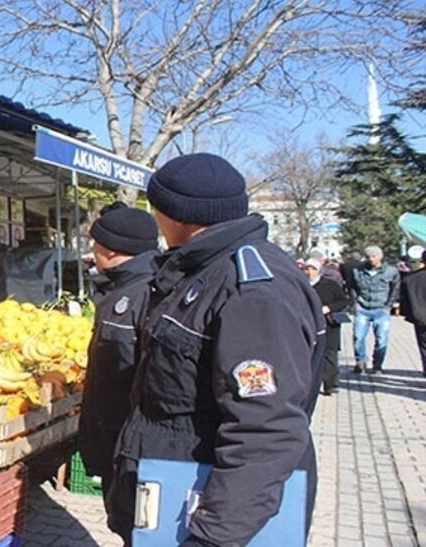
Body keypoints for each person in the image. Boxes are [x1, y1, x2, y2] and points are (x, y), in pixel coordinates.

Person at [107, 153, 325, 546]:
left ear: (176, 216)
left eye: (156, 210)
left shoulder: (252, 292)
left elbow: (265, 429)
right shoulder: (201, 272)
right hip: (168, 494)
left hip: (202, 510)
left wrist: (212, 537)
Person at [77, 206, 158, 526]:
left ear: (111, 249)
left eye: (95, 244)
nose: (91, 252)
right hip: (116, 437)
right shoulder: (120, 288)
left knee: (131, 525)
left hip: (128, 442)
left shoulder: (145, 293)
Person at [350, 245, 400, 374]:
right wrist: (355, 303)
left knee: (381, 339)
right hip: (362, 308)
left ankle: (377, 365)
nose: (371, 259)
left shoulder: (391, 271)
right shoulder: (357, 271)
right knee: (358, 337)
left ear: (380, 257)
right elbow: (353, 288)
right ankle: (360, 362)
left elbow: (395, 289)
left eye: (374, 256)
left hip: (381, 309)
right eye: (368, 257)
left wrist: (388, 306)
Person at [304, 258, 348, 395]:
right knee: (310, 355)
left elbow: (343, 301)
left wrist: (329, 308)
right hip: (309, 323)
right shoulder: (301, 285)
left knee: (330, 354)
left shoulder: (330, 285)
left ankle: (330, 384)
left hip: (329, 324)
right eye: (307, 269)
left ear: (319, 271)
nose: (309, 272)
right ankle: (310, 385)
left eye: (313, 269)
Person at [399, 248, 426, 377]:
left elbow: (404, 302)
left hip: (420, 318)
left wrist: (412, 317)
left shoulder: (410, 279)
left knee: (424, 347)